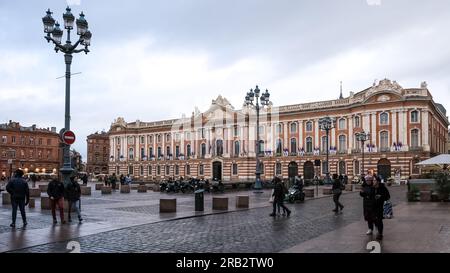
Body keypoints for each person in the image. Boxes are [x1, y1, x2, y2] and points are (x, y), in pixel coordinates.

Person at [360, 172, 390, 240]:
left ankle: (380, 233)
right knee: (374, 219)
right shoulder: (372, 188)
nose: (372, 181)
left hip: (379, 207)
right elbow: (369, 196)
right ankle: (376, 231)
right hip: (372, 207)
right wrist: (364, 193)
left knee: (379, 220)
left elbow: (387, 196)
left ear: (377, 181)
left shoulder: (382, 187)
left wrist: (380, 196)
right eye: (372, 180)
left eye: (374, 180)